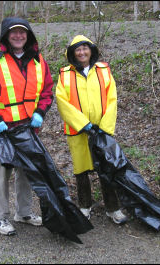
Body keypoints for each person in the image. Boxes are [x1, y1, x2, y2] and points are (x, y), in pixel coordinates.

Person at [0, 17, 54, 235]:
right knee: (1, 175)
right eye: (13, 33)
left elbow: (47, 92)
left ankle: (24, 212)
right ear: (5, 35)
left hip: (29, 128)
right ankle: (0, 217)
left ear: (28, 36)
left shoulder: (38, 60)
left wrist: (40, 112)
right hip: (2, 130)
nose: (18, 36)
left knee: (27, 173)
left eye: (22, 32)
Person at [55, 35, 128, 224]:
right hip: (77, 131)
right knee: (81, 170)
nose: (81, 52)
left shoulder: (104, 71)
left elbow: (112, 99)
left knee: (106, 167)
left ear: (91, 50)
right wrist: (83, 124)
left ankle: (113, 209)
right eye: (77, 50)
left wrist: (104, 127)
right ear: (72, 53)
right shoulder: (65, 74)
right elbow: (62, 103)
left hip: (102, 131)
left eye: (85, 48)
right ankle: (84, 206)